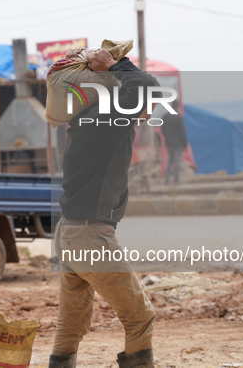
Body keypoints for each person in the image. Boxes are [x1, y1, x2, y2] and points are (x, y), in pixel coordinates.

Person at [49, 49, 157, 368]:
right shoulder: (108, 117)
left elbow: (141, 92)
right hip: (90, 236)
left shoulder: (85, 120)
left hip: (67, 236)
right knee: (140, 318)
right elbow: (145, 86)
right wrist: (113, 65)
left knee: (70, 325)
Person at [161, 104, 188, 185]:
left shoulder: (164, 117)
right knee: (178, 161)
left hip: (169, 143)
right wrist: (185, 144)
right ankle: (176, 179)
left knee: (170, 161)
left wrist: (167, 139)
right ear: (177, 106)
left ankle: (167, 179)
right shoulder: (178, 117)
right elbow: (182, 132)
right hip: (178, 143)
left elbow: (163, 130)